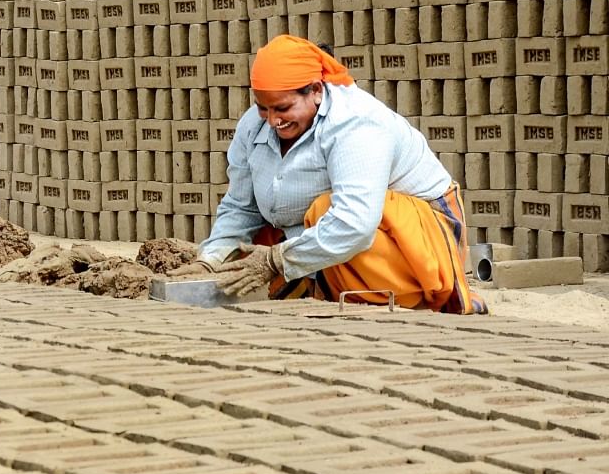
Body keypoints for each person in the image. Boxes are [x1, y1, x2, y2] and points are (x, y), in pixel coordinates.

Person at [175, 35, 486, 314]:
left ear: (315, 91)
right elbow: (241, 206)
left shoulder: (357, 124)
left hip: (411, 243)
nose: (272, 121)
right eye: (262, 108)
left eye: (282, 108)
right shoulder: (253, 125)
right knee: (247, 251)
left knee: (326, 210)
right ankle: (316, 284)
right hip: (319, 230)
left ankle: (399, 301)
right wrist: (210, 259)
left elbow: (356, 223)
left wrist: (276, 260)